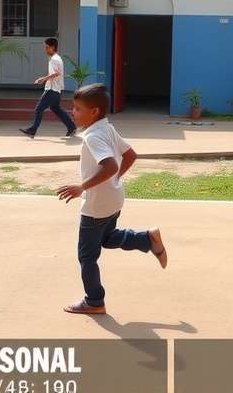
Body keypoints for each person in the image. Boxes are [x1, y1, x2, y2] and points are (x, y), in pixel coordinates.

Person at [56, 83, 167, 315]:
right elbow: (130, 155)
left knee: (87, 256)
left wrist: (81, 187)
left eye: (77, 109)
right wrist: (114, 179)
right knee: (107, 237)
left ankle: (94, 302)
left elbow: (110, 165)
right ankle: (147, 239)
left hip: (96, 205)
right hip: (113, 200)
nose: (72, 112)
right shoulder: (106, 128)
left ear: (94, 112)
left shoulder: (93, 137)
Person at [19, 37, 77, 138]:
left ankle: (33, 130)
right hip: (57, 89)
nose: (45, 49)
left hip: (52, 89)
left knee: (39, 109)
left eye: (46, 47)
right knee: (56, 109)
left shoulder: (54, 59)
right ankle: (71, 127)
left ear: (52, 47)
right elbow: (56, 73)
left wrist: (43, 79)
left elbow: (56, 73)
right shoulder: (57, 58)